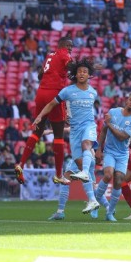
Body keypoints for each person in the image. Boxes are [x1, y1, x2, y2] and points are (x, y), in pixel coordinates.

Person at [33, 58, 100, 214]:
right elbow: (50, 104)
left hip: (89, 126)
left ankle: (62, 210)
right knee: (82, 165)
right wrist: (40, 117)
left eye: (85, 71)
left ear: (89, 75)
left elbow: (89, 113)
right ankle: (92, 200)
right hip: (75, 131)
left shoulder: (93, 92)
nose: (82, 73)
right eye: (79, 71)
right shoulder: (67, 91)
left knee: (87, 145)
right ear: (75, 74)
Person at [14, 37, 73, 186]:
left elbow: (41, 74)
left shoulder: (50, 56)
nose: (70, 49)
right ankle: (59, 174)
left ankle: (21, 164)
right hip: (54, 94)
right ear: (62, 45)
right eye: (69, 46)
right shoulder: (64, 53)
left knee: (37, 133)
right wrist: (79, 68)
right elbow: (71, 65)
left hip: (41, 94)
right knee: (59, 136)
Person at [94, 93, 131, 222]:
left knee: (118, 181)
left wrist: (109, 124)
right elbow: (103, 131)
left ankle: (109, 213)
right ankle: (95, 200)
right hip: (109, 151)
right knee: (108, 175)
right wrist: (98, 149)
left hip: (122, 154)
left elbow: (122, 136)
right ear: (126, 101)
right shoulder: (113, 112)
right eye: (130, 99)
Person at [48, 153, 99, 220]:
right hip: (90, 157)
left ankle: (60, 212)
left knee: (65, 179)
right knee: (91, 183)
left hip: (80, 156)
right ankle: (106, 208)